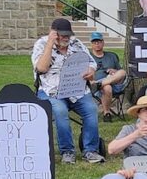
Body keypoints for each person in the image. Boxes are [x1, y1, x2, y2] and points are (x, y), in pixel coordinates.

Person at [31, 18, 104, 164]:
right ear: (53, 33)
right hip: (51, 91)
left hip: (77, 89)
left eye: (67, 35)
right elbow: (41, 68)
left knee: (91, 109)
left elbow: (91, 62)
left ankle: (90, 150)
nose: (65, 38)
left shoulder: (76, 43)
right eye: (62, 35)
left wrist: (90, 71)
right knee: (60, 111)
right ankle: (67, 152)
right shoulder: (42, 44)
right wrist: (50, 44)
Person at [88, 31, 127, 119]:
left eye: (99, 42)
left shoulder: (112, 56)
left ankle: (101, 84)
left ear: (103, 43)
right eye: (94, 42)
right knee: (107, 87)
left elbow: (120, 72)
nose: (97, 44)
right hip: (95, 85)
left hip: (113, 83)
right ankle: (107, 113)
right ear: (91, 44)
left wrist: (114, 71)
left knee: (122, 72)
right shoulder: (88, 57)